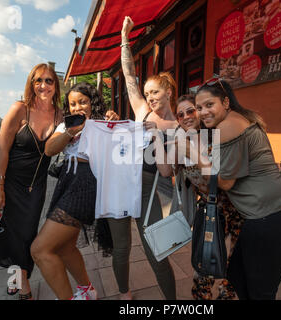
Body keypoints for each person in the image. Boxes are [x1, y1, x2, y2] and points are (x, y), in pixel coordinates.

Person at [161, 94, 281, 300]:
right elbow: (166, 172)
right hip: (210, 213)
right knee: (204, 267)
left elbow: (248, 163)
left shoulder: (220, 136)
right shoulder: (181, 143)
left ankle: (226, 295)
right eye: (181, 115)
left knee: (235, 267)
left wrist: (278, 171)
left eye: (191, 110)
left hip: (238, 210)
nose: (186, 117)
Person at [188, 78, 281, 300]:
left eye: (209, 105)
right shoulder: (238, 121)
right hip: (278, 216)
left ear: (225, 103)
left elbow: (224, 182)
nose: (202, 112)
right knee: (237, 276)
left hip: (273, 221)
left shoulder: (227, 126)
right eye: (199, 107)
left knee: (259, 292)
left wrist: (192, 153)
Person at [30, 82, 117, 300]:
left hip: (86, 183)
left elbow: (117, 155)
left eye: (83, 102)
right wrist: (70, 130)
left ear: (92, 103)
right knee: (66, 246)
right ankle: (87, 290)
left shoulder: (104, 123)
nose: (77, 107)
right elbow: (49, 149)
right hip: (67, 181)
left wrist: (113, 126)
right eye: (72, 103)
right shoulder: (66, 125)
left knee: (40, 250)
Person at [0, 63, 62, 300]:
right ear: (31, 84)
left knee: (26, 234)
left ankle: (16, 277)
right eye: (38, 80)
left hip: (35, 185)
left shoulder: (60, 114)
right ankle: (23, 286)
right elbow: (2, 150)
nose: (43, 85)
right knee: (10, 234)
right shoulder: (20, 109)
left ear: (55, 85)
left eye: (49, 80)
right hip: (8, 180)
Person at [115, 16, 177, 300]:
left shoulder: (178, 127)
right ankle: (124, 293)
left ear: (169, 92)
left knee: (157, 251)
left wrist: (154, 136)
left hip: (148, 190)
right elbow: (128, 76)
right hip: (121, 185)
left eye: (155, 92)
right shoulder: (141, 110)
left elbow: (167, 172)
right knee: (121, 246)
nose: (149, 97)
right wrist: (125, 38)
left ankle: (172, 302)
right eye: (148, 92)